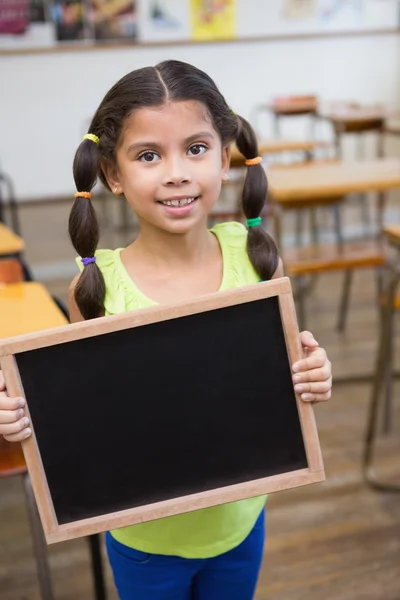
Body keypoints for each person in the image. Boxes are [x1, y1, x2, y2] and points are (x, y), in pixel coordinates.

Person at [0, 60, 332, 600]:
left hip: (242, 521)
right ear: (113, 174)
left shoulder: (253, 259)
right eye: (149, 155)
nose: (176, 173)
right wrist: (23, 416)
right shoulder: (97, 288)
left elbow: (283, 371)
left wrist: (314, 371)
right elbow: (80, 415)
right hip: (144, 539)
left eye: (196, 149)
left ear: (224, 160)